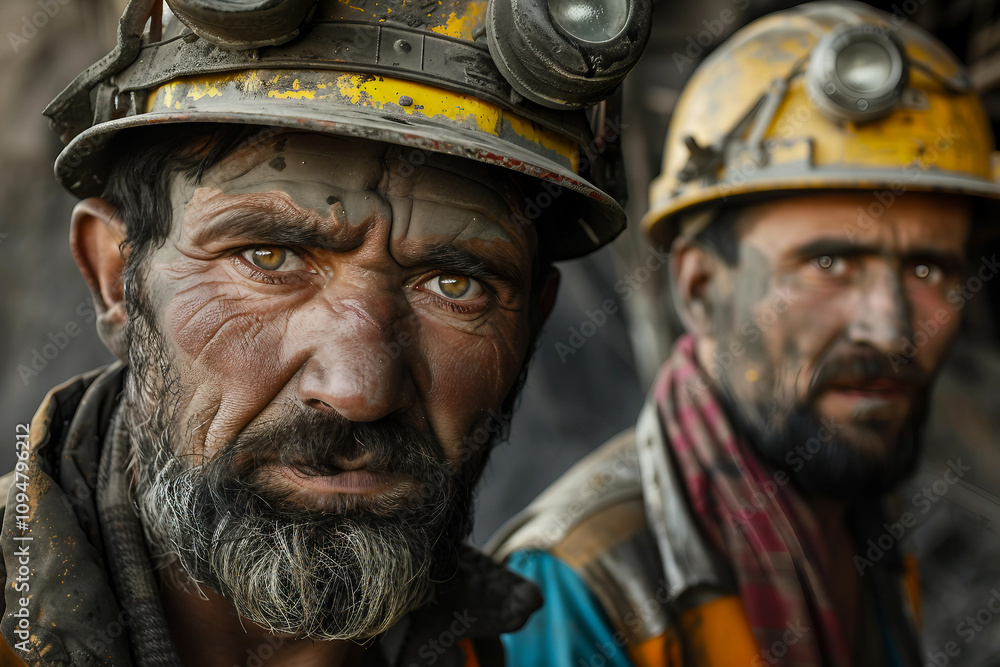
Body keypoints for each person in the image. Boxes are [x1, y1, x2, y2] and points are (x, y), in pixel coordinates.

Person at [0, 0, 652, 665]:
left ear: (534, 324)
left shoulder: (525, 650)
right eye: (269, 257)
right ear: (117, 277)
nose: (359, 389)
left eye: (455, 285)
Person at [491, 2, 1000, 665]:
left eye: (928, 268)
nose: (889, 327)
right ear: (700, 287)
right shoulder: (576, 585)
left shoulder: (857, 515)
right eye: (828, 263)